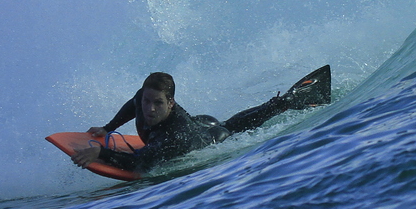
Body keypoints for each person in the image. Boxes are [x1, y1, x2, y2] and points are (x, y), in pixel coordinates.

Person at [70, 66, 331, 174]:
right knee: (228, 121)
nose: (149, 109)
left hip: (205, 136)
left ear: (170, 103)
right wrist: (108, 128)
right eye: (147, 101)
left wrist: (100, 152)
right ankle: (286, 100)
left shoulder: (173, 138)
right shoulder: (144, 98)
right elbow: (133, 104)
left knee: (233, 126)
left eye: (157, 103)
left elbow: (140, 164)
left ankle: (292, 99)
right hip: (197, 122)